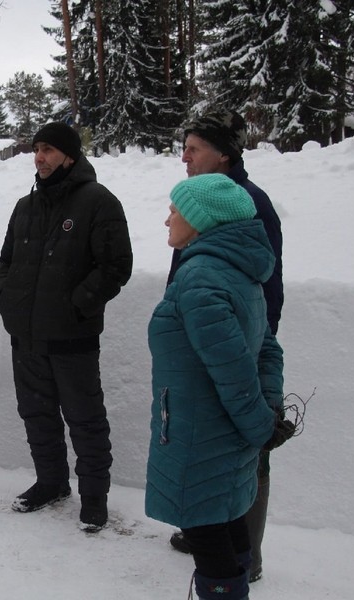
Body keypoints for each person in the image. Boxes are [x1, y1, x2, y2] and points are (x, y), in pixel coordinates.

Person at [145, 174, 293, 600]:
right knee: (227, 522)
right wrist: (267, 413)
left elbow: (234, 373)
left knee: (207, 536)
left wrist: (262, 425)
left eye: (175, 210)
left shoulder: (201, 280)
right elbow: (268, 350)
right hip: (225, 435)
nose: (167, 220)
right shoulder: (238, 274)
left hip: (199, 437)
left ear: (200, 219)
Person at [0, 122, 133, 532]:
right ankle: (51, 482)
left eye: (49, 150)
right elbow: (6, 262)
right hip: (27, 336)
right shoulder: (25, 206)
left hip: (73, 338)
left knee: (85, 419)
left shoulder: (99, 202)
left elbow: (115, 267)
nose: (39, 157)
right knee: (36, 414)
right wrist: (7, 300)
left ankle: (94, 498)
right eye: (37, 149)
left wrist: (78, 307)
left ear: (70, 156)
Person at [167, 109, 284, 583]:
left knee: (246, 448)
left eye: (194, 149)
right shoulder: (197, 201)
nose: (185, 157)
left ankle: (246, 555)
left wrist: (252, 346)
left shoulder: (249, 201)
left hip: (237, 344)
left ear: (224, 154)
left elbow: (264, 286)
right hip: (206, 339)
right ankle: (207, 528)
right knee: (211, 446)